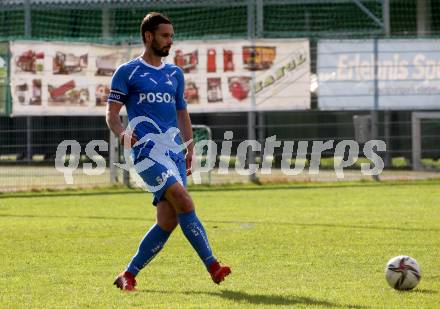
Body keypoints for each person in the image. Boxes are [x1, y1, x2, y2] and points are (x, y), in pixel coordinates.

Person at [106, 12, 231, 292]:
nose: (170, 41)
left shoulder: (175, 74)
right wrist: (122, 133)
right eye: (165, 36)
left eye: (172, 36)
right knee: (185, 202)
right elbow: (111, 113)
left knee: (168, 220)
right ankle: (213, 266)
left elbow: (182, 113)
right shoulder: (128, 72)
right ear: (148, 36)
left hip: (174, 154)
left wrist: (189, 147)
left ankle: (128, 274)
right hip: (146, 154)